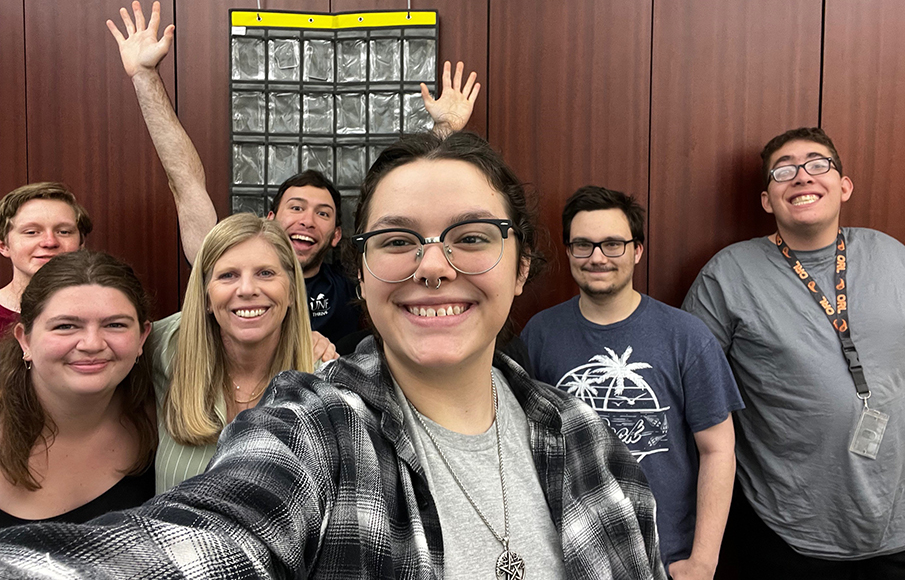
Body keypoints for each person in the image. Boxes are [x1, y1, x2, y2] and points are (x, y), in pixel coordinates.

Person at [0, 132, 666, 580]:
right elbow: (196, 541)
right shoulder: (311, 429)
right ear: (362, 274)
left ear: (521, 267)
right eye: (399, 240)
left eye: (469, 236)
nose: (432, 265)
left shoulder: (589, 441)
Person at [106, 0, 481, 346]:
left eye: (322, 213)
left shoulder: (356, 284)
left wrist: (445, 127)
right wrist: (144, 76)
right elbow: (185, 184)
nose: (307, 221)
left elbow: (403, 190)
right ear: (270, 219)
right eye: (296, 208)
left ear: (337, 236)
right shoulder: (232, 268)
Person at [682, 127, 905, 579]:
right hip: (785, 531)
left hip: (897, 528)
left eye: (817, 164)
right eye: (784, 171)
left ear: (843, 186)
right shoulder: (728, 275)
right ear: (768, 200)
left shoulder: (891, 254)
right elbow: (686, 385)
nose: (802, 177)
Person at [521, 186, 743, 579]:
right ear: (569, 251)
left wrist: (703, 562)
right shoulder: (539, 334)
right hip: (570, 556)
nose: (597, 258)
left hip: (666, 559)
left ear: (637, 250)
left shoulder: (686, 337)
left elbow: (718, 450)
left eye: (612, 244)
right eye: (583, 245)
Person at [148, 212, 314, 493]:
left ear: (292, 292)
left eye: (265, 273)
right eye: (228, 275)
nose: (247, 289)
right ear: (207, 296)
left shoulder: (323, 380)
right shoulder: (164, 347)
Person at [0, 250, 155, 526]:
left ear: (142, 337)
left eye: (115, 325)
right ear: (25, 340)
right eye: (66, 326)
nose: (92, 344)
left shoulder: (165, 423)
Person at [0, 183, 92, 335]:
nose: (50, 242)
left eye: (64, 232)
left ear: (81, 244)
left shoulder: (110, 311)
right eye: (31, 232)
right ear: (4, 246)